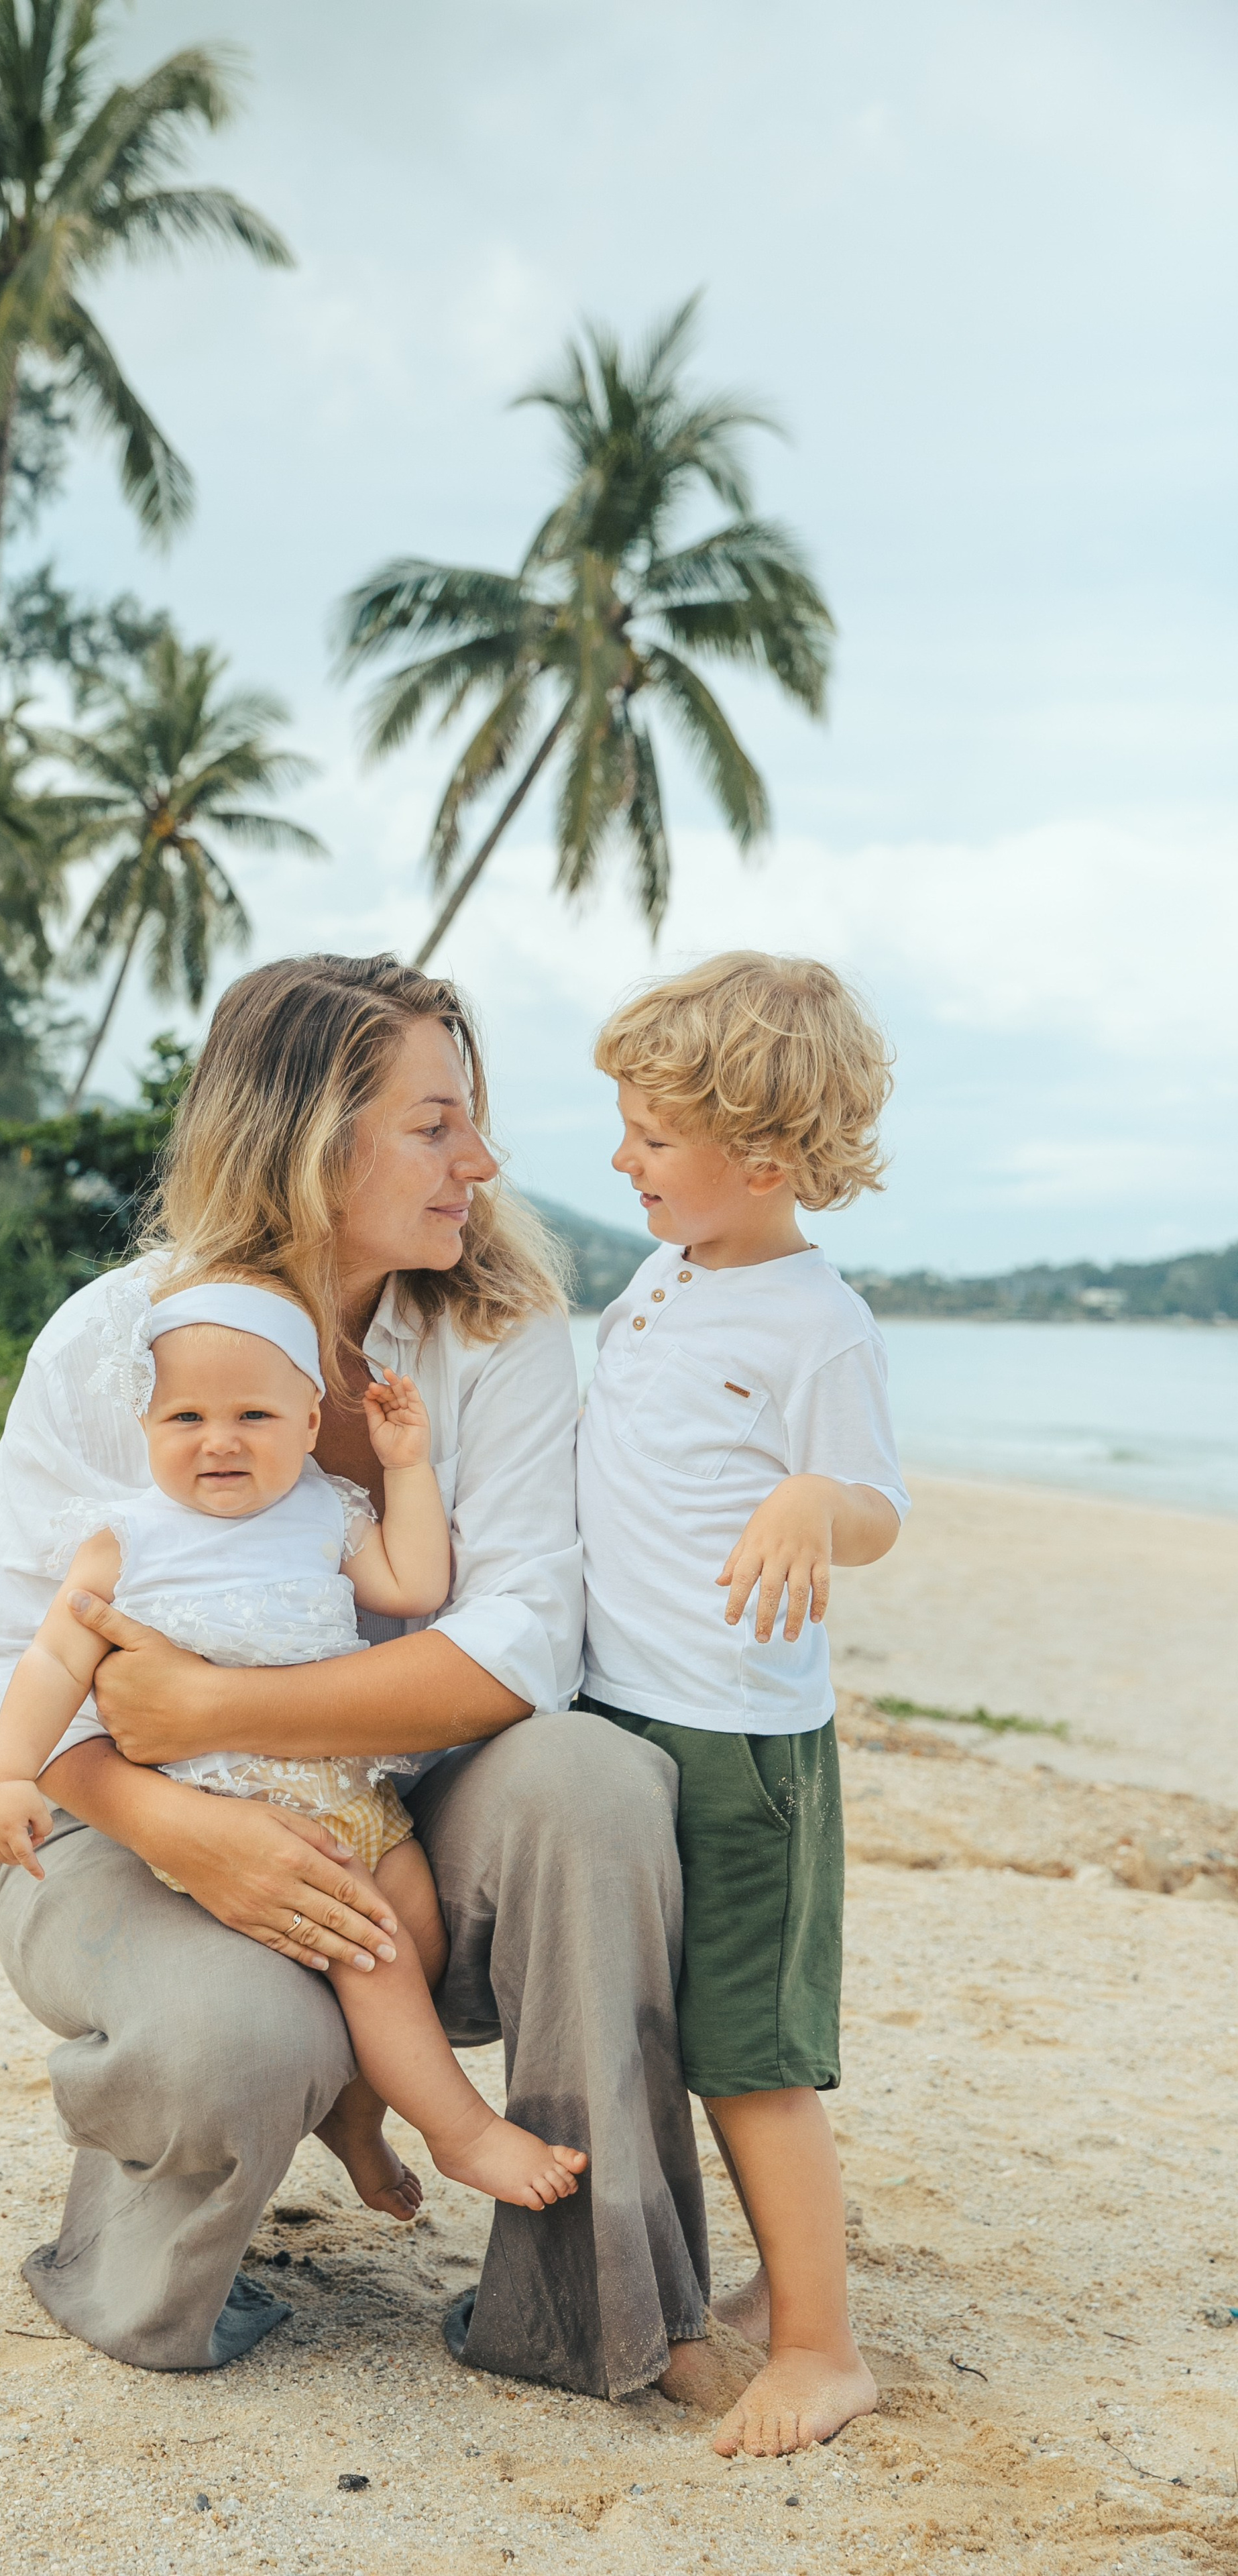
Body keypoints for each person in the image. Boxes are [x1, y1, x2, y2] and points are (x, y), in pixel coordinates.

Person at [0, 952, 712, 2395]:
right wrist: (190, 1817)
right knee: (242, 2033)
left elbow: (521, 1640)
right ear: (307, 1137)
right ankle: (150, 2271)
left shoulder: (490, 1334)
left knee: (597, 1780)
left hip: (401, 1811)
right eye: (433, 1124)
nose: (477, 1160)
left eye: (469, 1119)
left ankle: (586, 2303)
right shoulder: (120, 1345)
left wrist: (227, 1706)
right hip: (120, 1815)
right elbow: (7, 1654)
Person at [0, 1280, 587, 2214]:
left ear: (309, 1421)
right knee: (373, 1953)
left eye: (253, 1414)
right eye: (186, 1416)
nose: (218, 1439)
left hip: (354, 1799)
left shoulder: (325, 1511)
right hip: (231, 1815)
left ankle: (358, 2122)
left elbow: (416, 1585)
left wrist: (408, 1466)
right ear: (144, 1427)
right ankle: (463, 2133)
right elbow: (52, 1660)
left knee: (416, 1931)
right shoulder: (129, 1541)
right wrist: (9, 1774)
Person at [576, 951, 909, 2458]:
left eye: (650, 1134)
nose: (620, 1157)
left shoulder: (812, 1321)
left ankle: (823, 2346)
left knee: (747, 2050)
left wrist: (806, 1501)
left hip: (739, 1734)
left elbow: (878, 1511)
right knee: (654, 2027)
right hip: (618, 1710)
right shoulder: (659, 1280)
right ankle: (731, 2293)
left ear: (759, 1157)